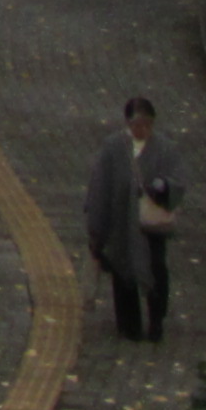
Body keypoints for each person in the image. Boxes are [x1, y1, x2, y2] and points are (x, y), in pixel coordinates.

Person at [82, 90, 183, 340]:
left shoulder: (164, 148)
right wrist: (97, 227)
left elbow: (178, 182)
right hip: (120, 224)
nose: (142, 129)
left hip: (152, 225)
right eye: (136, 124)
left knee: (155, 268)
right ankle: (129, 326)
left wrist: (163, 188)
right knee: (122, 267)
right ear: (127, 124)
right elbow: (100, 187)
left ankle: (156, 319)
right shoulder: (113, 148)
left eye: (147, 123)